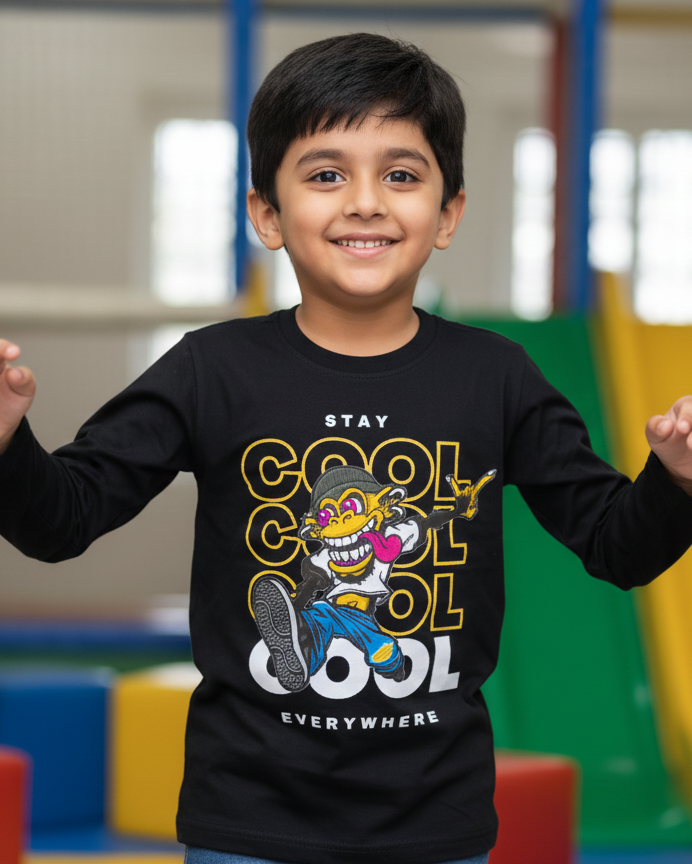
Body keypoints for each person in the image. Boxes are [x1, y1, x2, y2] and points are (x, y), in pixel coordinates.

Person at [1, 32, 692, 864]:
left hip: (436, 821)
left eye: (401, 175)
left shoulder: (497, 378)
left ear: (448, 214)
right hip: (247, 817)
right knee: (334, 609)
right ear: (266, 212)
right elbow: (62, 518)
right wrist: (8, 441)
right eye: (326, 174)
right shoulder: (211, 370)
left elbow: (618, 543)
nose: (365, 201)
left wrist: (676, 478)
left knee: (364, 621)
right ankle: (302, 637)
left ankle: (322, 633)